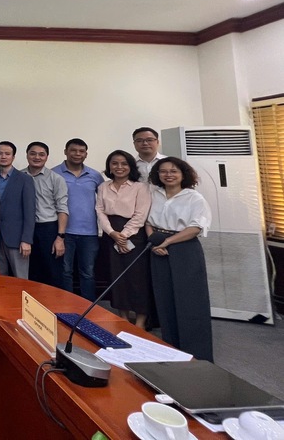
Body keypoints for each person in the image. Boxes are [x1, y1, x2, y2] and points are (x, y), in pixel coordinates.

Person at [146, 157, 213, 362]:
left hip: (184, 248)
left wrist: (167, 242)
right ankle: (171, 348)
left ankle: (196, 355)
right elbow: (147, 221)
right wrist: (154, 241)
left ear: (183, 174)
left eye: (173, 171)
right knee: (164, 299)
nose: (168, 175)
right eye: (163, 171)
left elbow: (195, 228)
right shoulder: (153, 194)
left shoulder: (194, 198)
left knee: (190, 301)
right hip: (157, 246)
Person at [95, 150, 152, 329]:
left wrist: (124, 235)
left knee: (138, 278)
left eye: (124, 164)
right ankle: (124, 318)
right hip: (110, 235)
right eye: (114, 163)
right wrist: (112, 233)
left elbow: (140, 214)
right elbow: (100, 211)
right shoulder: (104, 187)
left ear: (130, 166)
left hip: (135, 235)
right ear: (109, 166)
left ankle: (141, 321)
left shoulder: (140, 187)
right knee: (117, 278)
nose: (119, 167)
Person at [53, 138, 105, 301]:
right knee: (65, 271)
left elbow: (104, 201)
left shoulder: (95, 175)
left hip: (89, 233)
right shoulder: (54, 173)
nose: (77, 154)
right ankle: (67, 306)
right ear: (65, 152)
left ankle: (89, 308)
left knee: (88, 272)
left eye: (81, 151)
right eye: (73, 150)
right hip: (63, 232)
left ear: (86, 154)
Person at [0, 142, 36, 279]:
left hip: (17, 239)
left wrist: (26, 240)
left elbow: (30, 211)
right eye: (0, 153)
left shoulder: (25, 179)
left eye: (7, 154)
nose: (3, 156)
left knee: (21, 278)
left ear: (13, 157)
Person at [21, 142, 69, 288]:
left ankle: (53, 309)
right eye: (33, 153)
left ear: (47, 157)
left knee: (52, 272)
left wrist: (60, 237)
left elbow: (62, 208)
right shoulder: (18, 177)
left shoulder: (56, 179)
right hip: (24, 229)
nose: (37, 157)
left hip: (48, 229)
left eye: (41, 154)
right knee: (28, 272)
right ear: (27, 155)